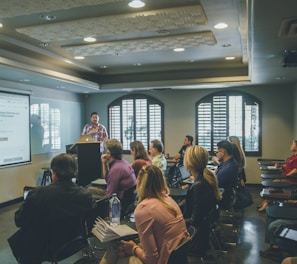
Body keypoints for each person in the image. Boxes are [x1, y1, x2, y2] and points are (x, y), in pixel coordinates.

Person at [8, 153, 96, 264]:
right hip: (75, 242)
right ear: (74, 171)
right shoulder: (85, 194)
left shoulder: (38, 194)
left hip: (45, 248)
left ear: (54, 173)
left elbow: (19, 221)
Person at [99, 165, 190, 264]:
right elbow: (161, 238)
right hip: (175, 257)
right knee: (118, 250)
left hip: (163, 259)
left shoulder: (143, 209)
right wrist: (136, 247)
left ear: (140, 183)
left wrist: (134, 248)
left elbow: (151, 260)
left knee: (117, 254)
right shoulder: (169, 200)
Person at [183, 145, 222, 257]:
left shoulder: (199, 185)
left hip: (195, 238)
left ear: (190, 162)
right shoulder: (205, 179)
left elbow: (195, 220)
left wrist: (174, 222)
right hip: (201, 236)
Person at [257, 140, 297, 212]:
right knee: (271, 184)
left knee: (273, 184)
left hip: (291, 180)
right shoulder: (293, 156)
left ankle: (266, 203)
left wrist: (287, 176)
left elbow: (295, 170)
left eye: (293, 144)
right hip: (284, 176)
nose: (291, 145)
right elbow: (287, 165)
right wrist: (280, 165)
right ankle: (266, 202)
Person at [214, 140, 239, 209]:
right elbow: (217, 171)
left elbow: (214, 182)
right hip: (224, 190)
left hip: (222, 194)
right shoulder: (228, 162)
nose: (216, 154)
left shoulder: (229, 167)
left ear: (223, 152)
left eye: (217, 152)